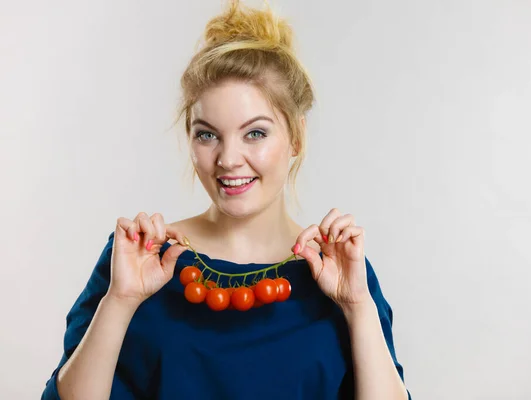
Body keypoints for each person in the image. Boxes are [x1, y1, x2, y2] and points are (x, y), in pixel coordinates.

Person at [41, 1, 411, 399]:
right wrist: (120, 300)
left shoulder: (340, 272)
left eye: (255, 133)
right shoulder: (140, 257)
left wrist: (357, 305)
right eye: (207, 134)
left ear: (297, 137)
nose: (228, 159)